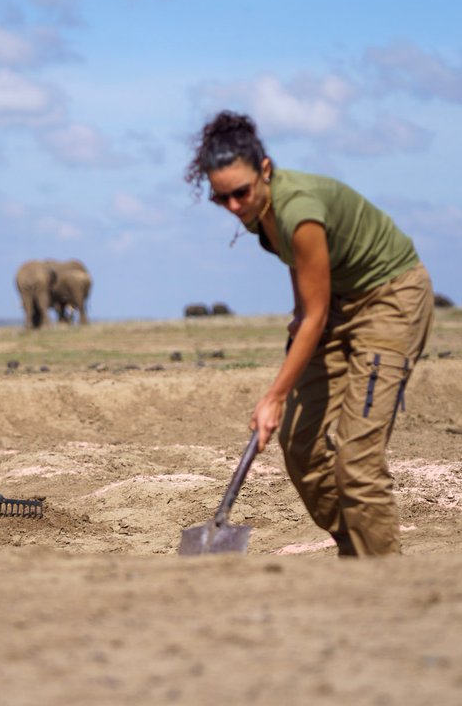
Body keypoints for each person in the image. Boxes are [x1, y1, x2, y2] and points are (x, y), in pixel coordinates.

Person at [186, 111, 434, 557]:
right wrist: (299, 315)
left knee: (357, 462)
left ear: (265, 169)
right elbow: (304, 283)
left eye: (240, 193)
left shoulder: (297, 210)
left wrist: (274, 395)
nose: (235, 207)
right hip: (335, 301)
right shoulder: (255, 210)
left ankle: (388, 580)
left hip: (390, 299)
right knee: (299, 445)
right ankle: (359, 545)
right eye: (221, 199)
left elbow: (316, 316)